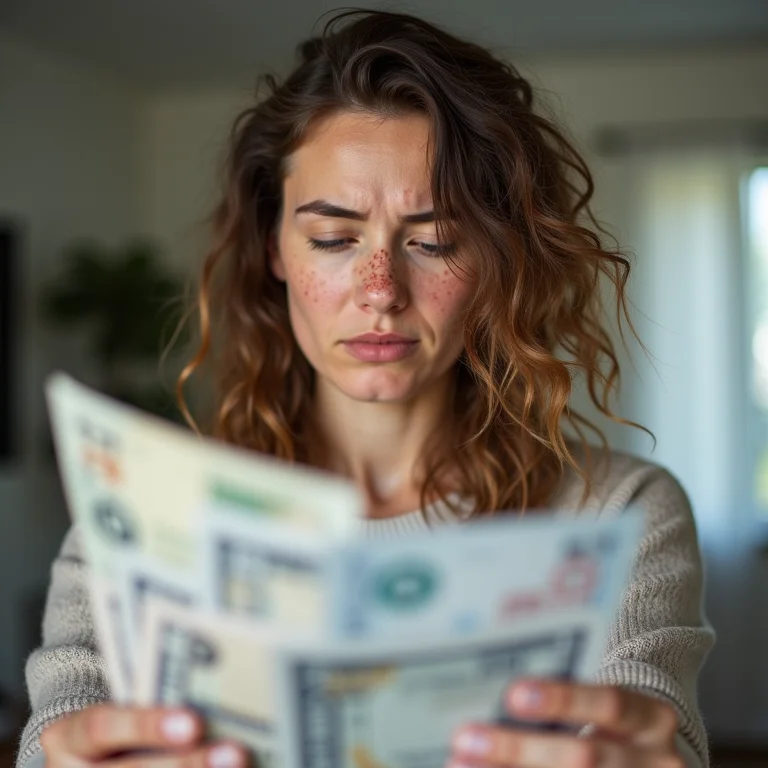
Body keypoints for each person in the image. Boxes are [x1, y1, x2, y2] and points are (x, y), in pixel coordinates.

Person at [17, 8, 715, 768]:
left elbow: (659, 728)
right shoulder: (136, 523)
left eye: (435, 241)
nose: (381, 290)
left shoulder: (618, 515)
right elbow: (56, 731)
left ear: (498, 261)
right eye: (333, 238)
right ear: (274, 248)